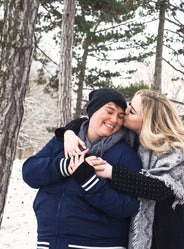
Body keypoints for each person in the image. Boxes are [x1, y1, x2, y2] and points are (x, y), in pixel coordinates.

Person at [57, 89, 184, 249]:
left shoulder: (173, 148)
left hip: (168, 229)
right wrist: (68, 133)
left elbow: (161, 188)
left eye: (131, 110)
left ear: (146, 120)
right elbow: (88, 120)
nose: (125, 111)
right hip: (135, 226)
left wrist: (111, 172)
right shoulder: (129, 136)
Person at [23, 88, 141, 249]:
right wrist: (66, 166)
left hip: (98, 245)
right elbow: (30, 172)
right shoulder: (62, 142)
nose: (114, 119)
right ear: (93, 111)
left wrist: (89, 181)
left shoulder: (125, 154)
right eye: (109, 111)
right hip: (49, 241)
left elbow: (129, 206)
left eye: (121, 116)